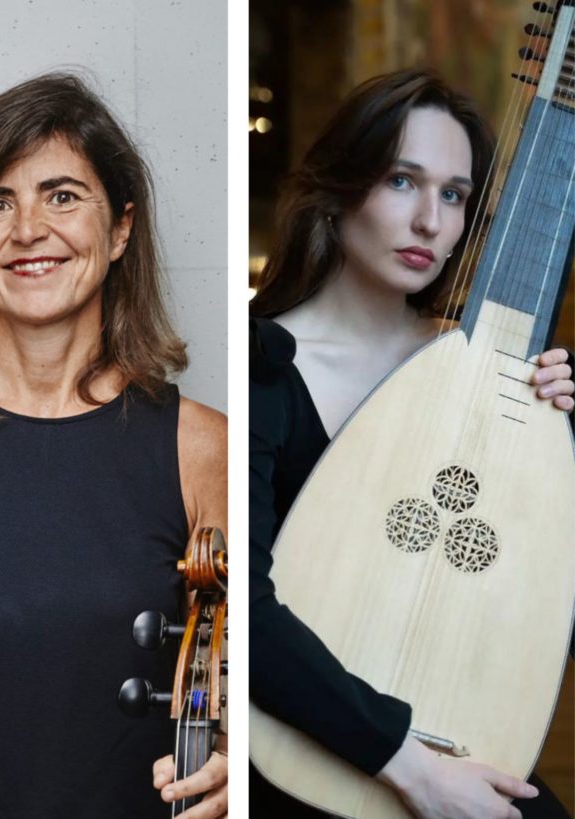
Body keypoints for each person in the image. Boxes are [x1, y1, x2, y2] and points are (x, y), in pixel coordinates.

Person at [0, 73, 228, 818]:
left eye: (62, 195)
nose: (26, 230)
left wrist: (231, 757)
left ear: (120, 229)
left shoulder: (201, 447)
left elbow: (244, 687)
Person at [250, 69, 575, 819]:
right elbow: (249, 615)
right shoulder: (264, 371)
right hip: (309, 755)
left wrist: (563, 438)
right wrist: (416, 771)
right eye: (403, 180)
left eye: (455, 194)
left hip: (456, 754)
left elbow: (542, 598)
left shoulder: (493, 378)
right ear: (342, 187)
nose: (431, 220)